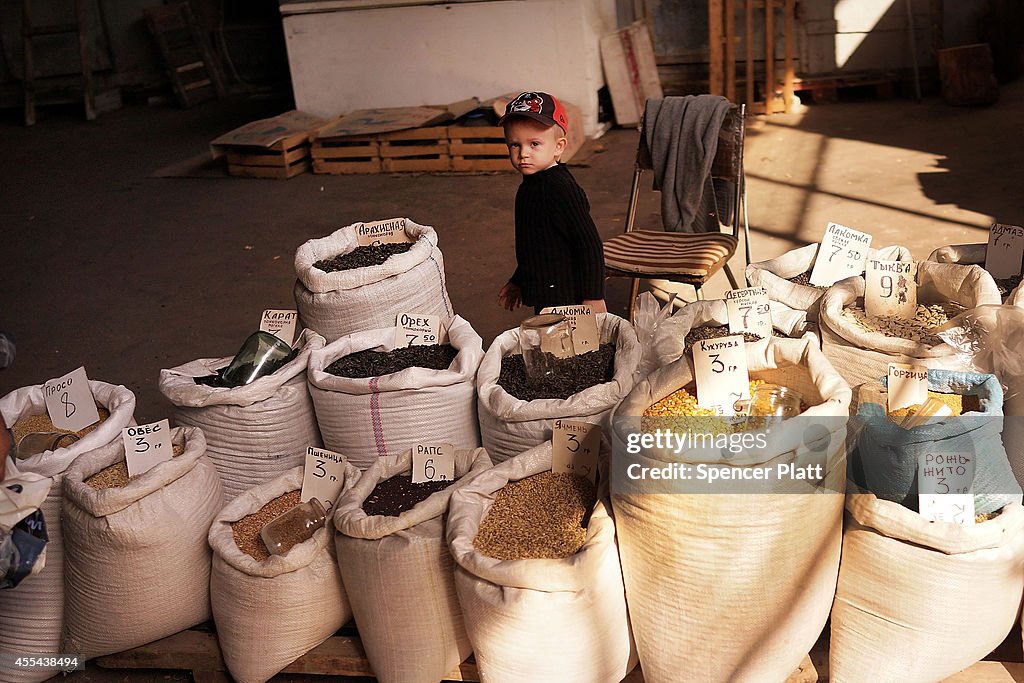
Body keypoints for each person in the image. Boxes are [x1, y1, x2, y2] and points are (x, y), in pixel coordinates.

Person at [496, 91, 607, 314]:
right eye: (515, 145)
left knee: (569, 347)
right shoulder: (530, 185)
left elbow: (589, 244)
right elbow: (536, 245)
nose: (523, 153)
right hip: (547, 290)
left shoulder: (560, 189)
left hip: (568, 294)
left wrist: (594, 296)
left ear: (558, 146)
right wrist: (519, 280)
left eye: (534, 144)